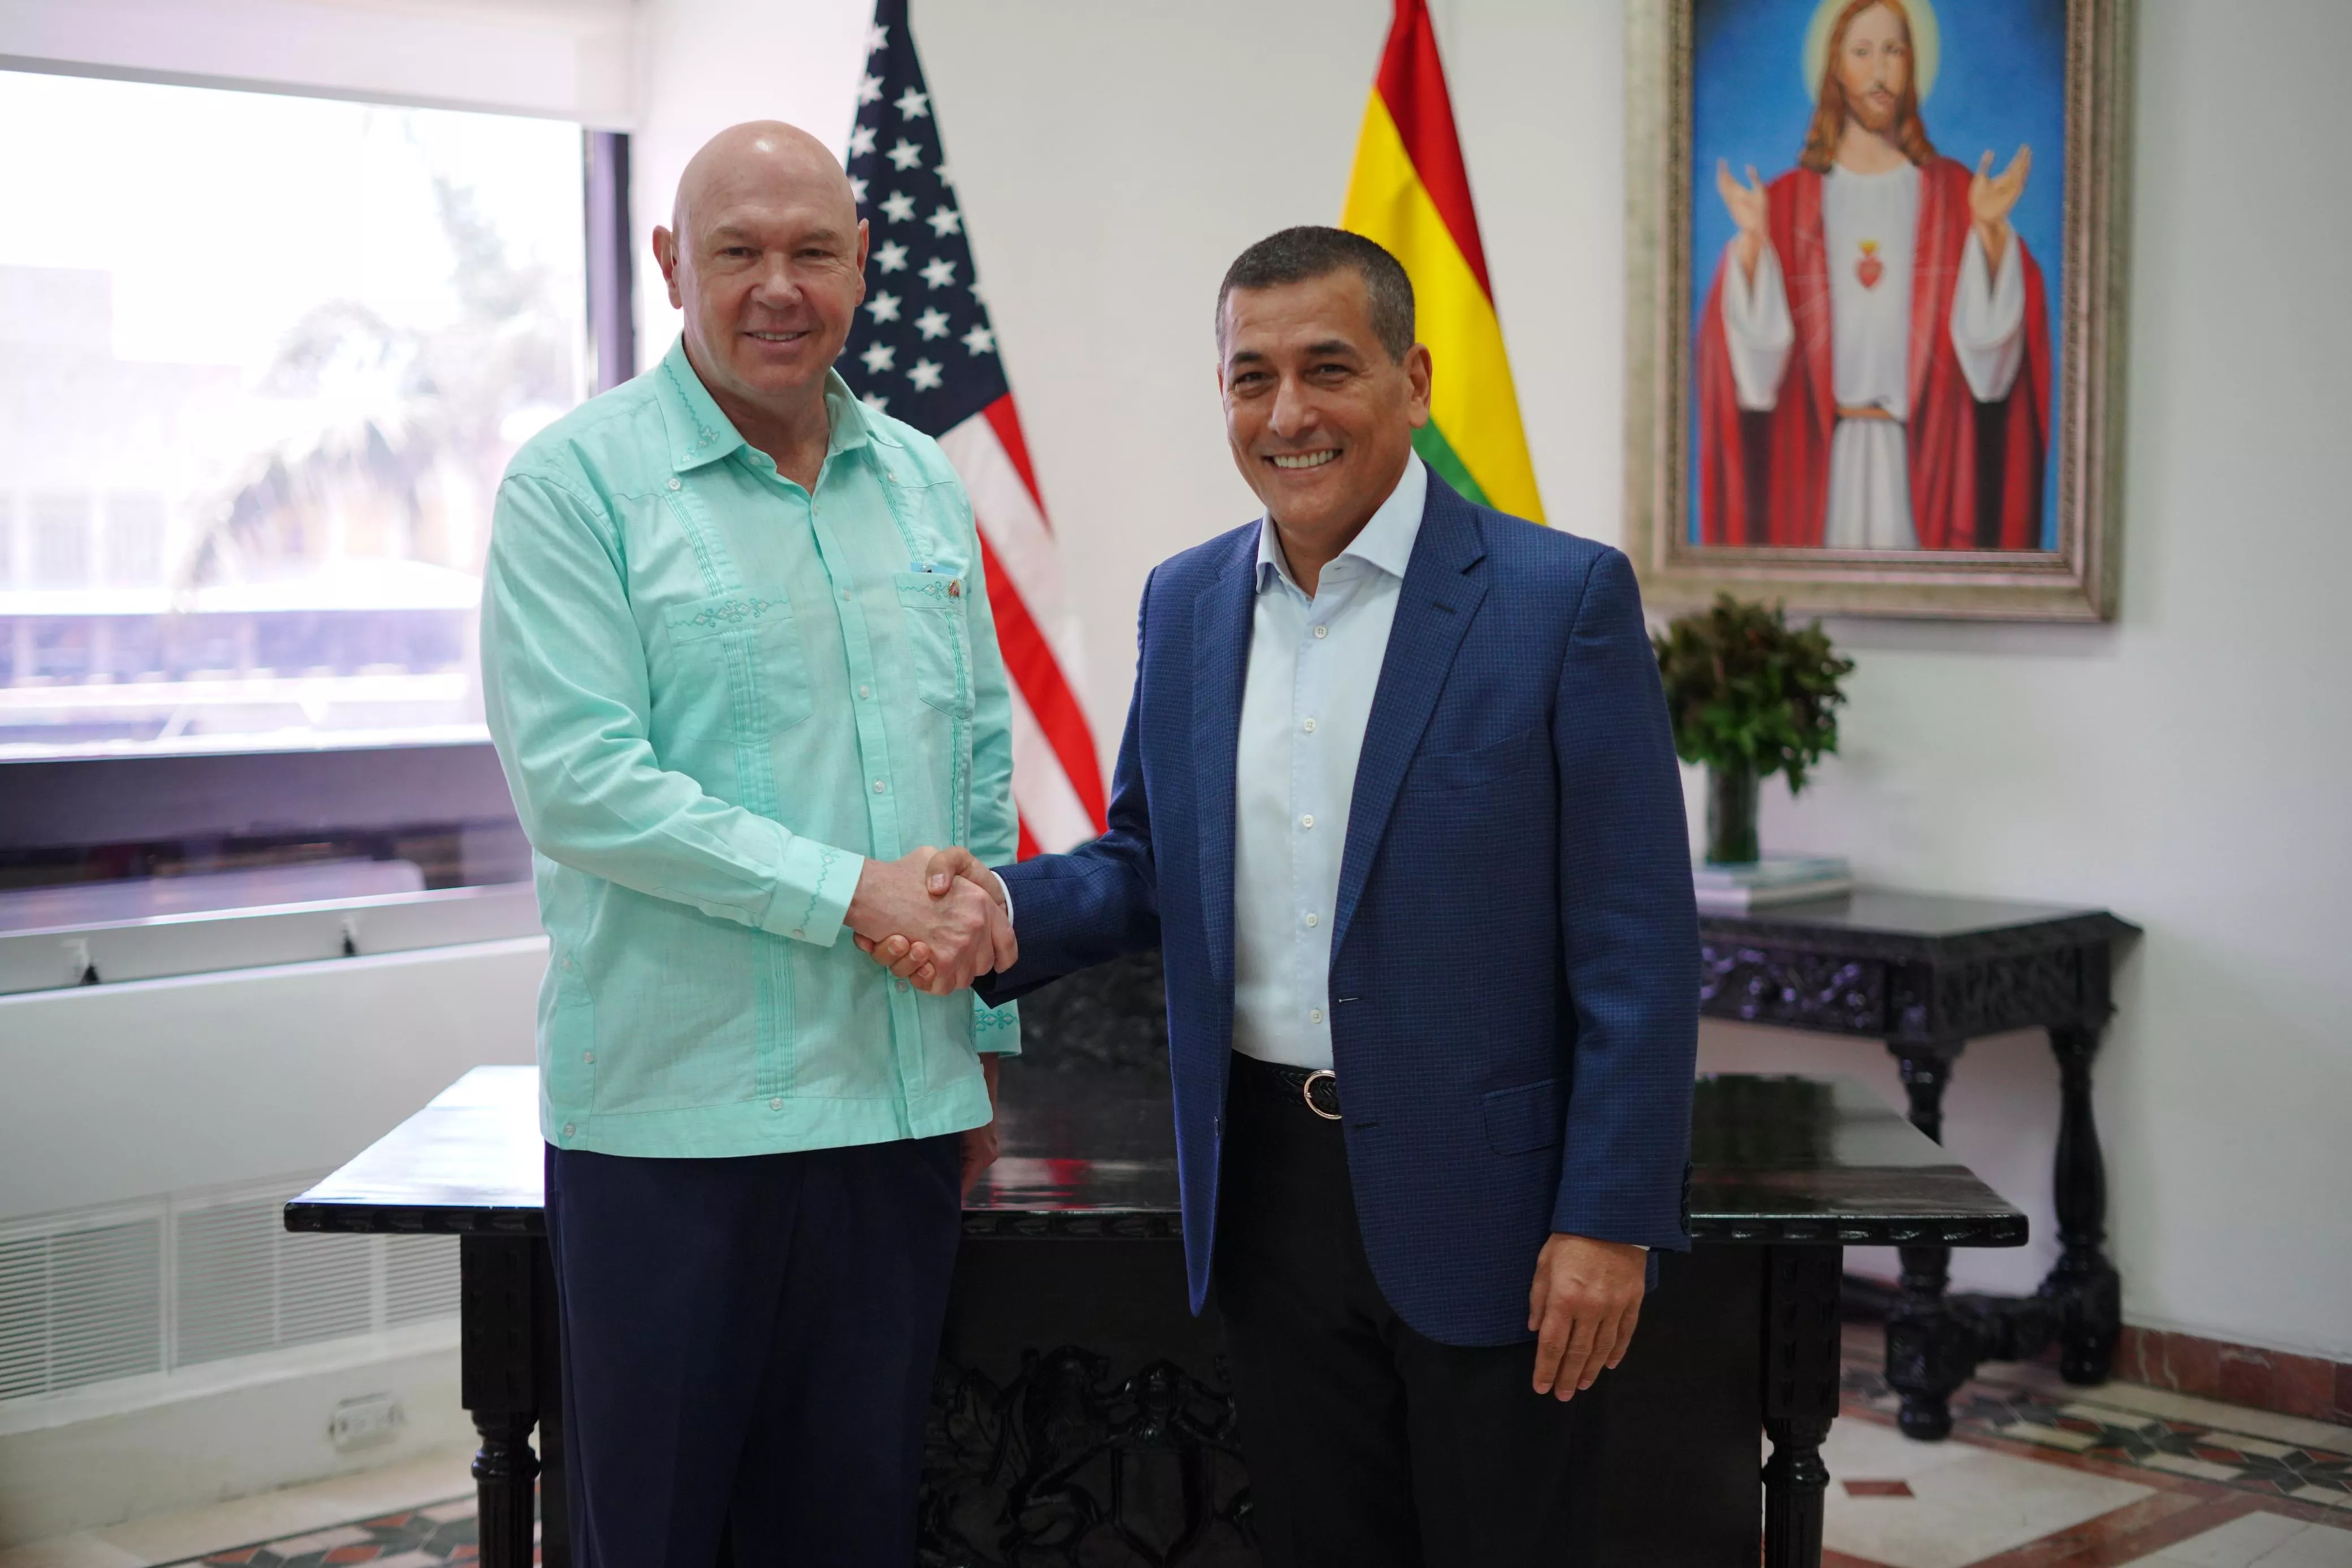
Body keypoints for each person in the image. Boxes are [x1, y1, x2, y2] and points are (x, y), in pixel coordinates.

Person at [866, 226, 1698, 1566]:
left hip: (1490, 1204)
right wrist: (999, 911)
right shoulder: (1189, 602)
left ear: (1412, 381)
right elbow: (1149, 860)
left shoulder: (1560, 601)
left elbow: (1638, 949)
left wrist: (1606, 1217)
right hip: (1265, 1195)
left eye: (1328, 367)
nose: (1288, 412)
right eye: (1252, 377)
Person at [478, 120, 1021, 1566]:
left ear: (863, 263)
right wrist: (853, 895)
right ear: (671, 264)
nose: (779, 287)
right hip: (674, 1128)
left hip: (897, 1119)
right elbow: (585, 786)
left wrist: (977, 1039)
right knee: (657, 1536)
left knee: (855, 1533)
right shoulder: (574, 485)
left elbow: (972, 766)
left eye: (813, 251)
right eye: (738, 251)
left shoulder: (922, 481)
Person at [1698, 0, 2051, 551]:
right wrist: (1750, 249)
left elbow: (1990, 370)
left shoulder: (1956, 196)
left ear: (1912, 65)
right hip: (1820, 471)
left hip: (1924, 468)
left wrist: (1988, 234)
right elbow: (1752, 374)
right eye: (1862, 52)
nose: (1879, 71)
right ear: (1835, 67)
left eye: (1894, 51)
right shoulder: (1784, 204)